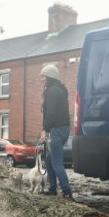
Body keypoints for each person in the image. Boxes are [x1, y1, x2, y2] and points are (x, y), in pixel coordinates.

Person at [39, 64, 73, 200]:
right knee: (48, 161)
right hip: (60, 129)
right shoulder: (58, 90)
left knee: (56, 162)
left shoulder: (53, 91)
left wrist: (44, 130)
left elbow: (51, 113)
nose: (42, 79)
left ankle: (67, 192)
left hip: (57, 130)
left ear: (49, 77)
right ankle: (52, 189)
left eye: (43, 76)